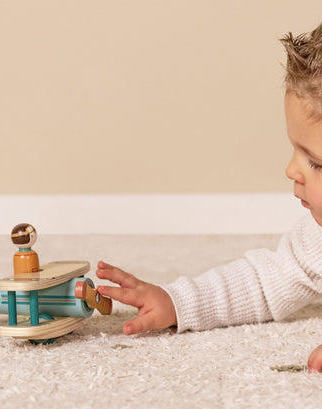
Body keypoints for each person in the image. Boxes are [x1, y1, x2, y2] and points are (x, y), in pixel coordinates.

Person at [96, 22, 322, 373]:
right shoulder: (317, 242)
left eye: (316, 163)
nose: (292, 169)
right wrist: (177, 302)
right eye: (295, 149)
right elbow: (264, 283)